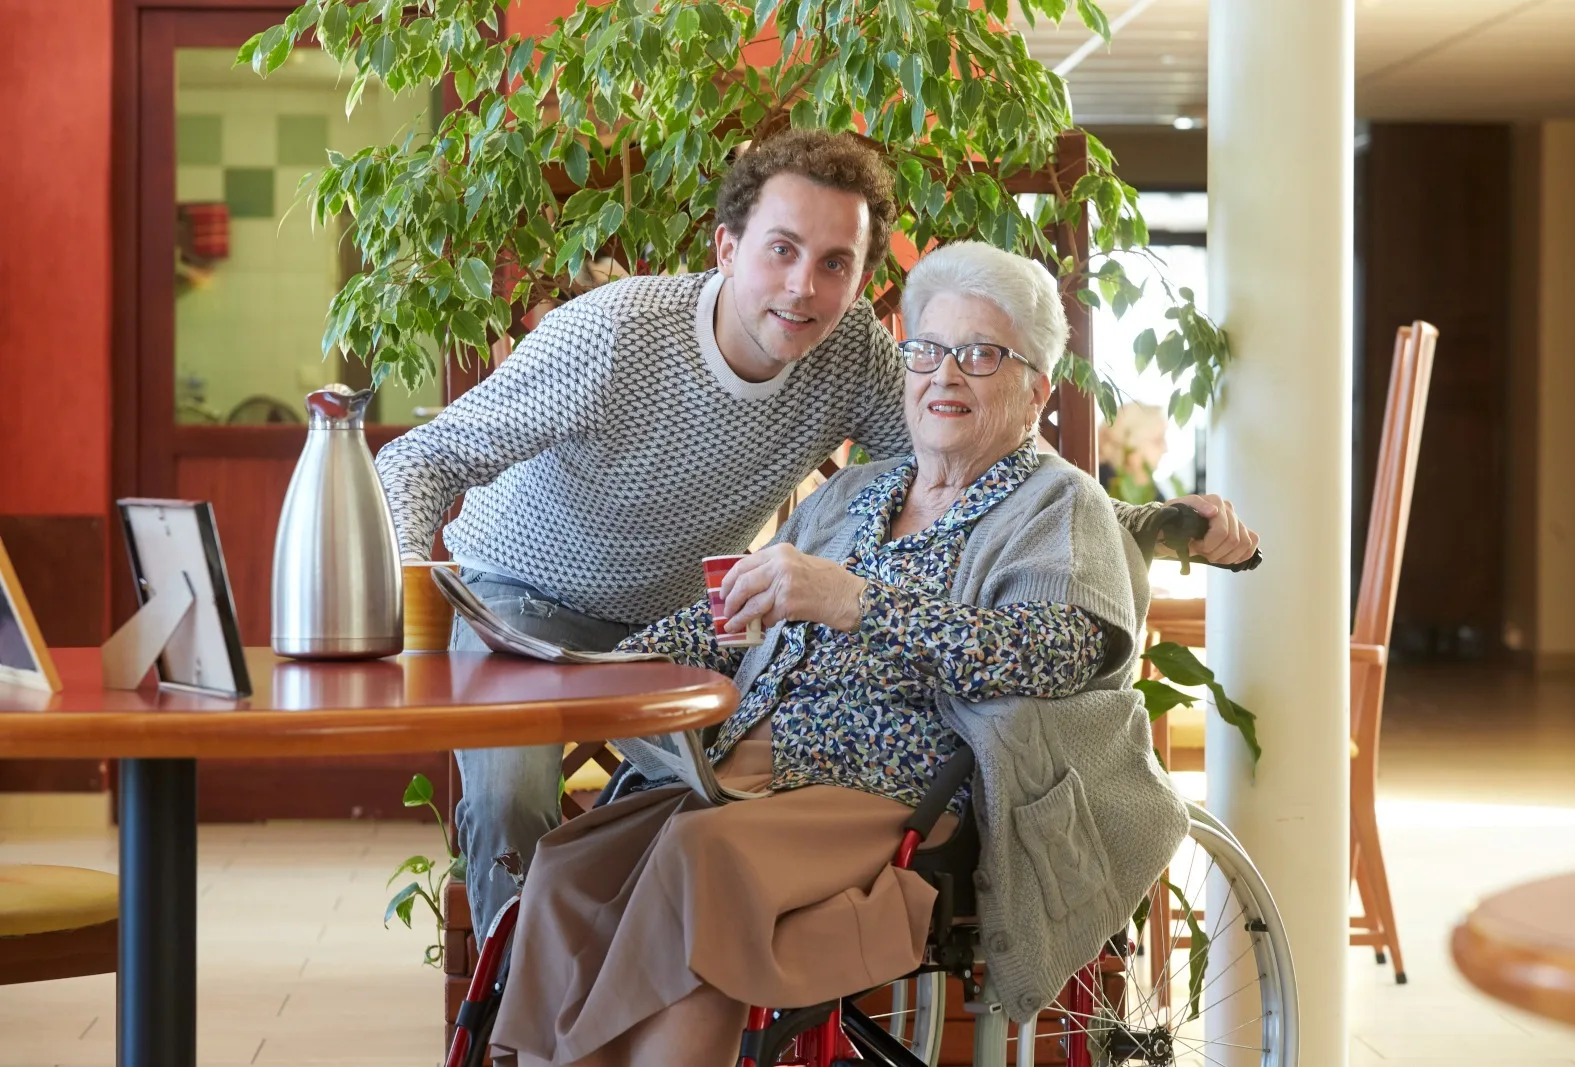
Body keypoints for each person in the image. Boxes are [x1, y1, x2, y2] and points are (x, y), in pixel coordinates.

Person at [374, 129, 1254, 939]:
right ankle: (524, 1017)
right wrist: (407, 598)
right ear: (728, 248)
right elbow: (421, 459)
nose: (804, 287)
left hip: (687, 622)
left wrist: (1158, 524)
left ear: (861, 279)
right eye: (782, 251)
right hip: (526, 605)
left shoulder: (854, 355)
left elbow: (980, 461)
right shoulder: (613, 338)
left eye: (835, 264)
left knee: (668, 820)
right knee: (511, 805)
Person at [486, 241, 1190, 1067]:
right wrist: (586, 667)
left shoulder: (1056, 502)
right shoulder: (858, 492)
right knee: (576, 863)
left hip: (894, 789)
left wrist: (854, 601)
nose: (945, 375)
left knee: (696, 859)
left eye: (982, 355)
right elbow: (732, 613)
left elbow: (1053, 651)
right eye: (927, 350)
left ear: (1036, 388)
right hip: (749, 771)